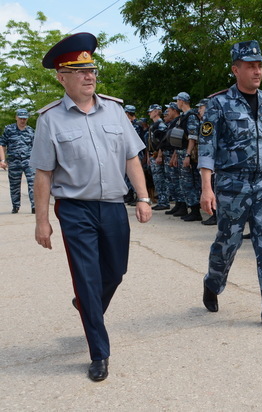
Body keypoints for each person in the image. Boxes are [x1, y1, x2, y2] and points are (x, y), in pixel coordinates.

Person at [30, 32, 152, 381]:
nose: (89, 76)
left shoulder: (114, 111)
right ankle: (99, 352)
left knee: (115, 272)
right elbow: (43, 175)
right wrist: (41, 222)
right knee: (86, 277)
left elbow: (132, 158)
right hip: (74, 209)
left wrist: (142, 198)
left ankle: (87, 305)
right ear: (61, 76)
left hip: (113, 205)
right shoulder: (50, 119)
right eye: (79, 71)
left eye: (92, 70)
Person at [198, 40, 262, 332]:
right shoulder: (218, 104)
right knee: (228, 243)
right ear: (235, 69)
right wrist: (206, 188)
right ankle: (213, 282)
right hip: (232, 185)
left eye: (260, 65)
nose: (257, 71)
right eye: (251, 66)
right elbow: (206, 148)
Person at [172, 92, 202, 221]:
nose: (177, 103)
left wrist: (188, 155)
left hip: (186, 152)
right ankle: (191, 208)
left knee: (189, 182)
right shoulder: (183, 116)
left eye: (177, 101)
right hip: (181, 151)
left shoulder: (191, 116)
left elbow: (192, 137)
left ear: (182, 101)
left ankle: (195, 211)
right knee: (184, 183)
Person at [1, 109, 36, 214]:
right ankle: (15, 206)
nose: (22, 120)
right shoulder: (9, 129)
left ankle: (34, 206)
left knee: (33, 183)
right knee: (14, 185)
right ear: (16, 117)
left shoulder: (31, 131)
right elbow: (2, 144)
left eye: (24, 118)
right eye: (20, 118)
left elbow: (35, 147)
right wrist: (2, 160)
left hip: (29, 161)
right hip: (14, 161)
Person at [196, 98, 217, 226]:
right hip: (208, 160)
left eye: (201, 107)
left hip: (214, 161)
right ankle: (214, 214)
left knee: (214, 187)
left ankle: (215, 214)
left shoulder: (211, 119)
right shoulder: (204, 120)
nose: (199, 110)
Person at [146, 104, 169, 210]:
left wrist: (159, 155)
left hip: (157, 155)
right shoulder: (154, 125)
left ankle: (164, 201)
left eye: (151, 111)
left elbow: (163, 142)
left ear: (156, 112)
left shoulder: (161, 125)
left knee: (160, 179)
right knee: (157, 179)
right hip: (152, 155)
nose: (149, 113)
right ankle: (162, 200)